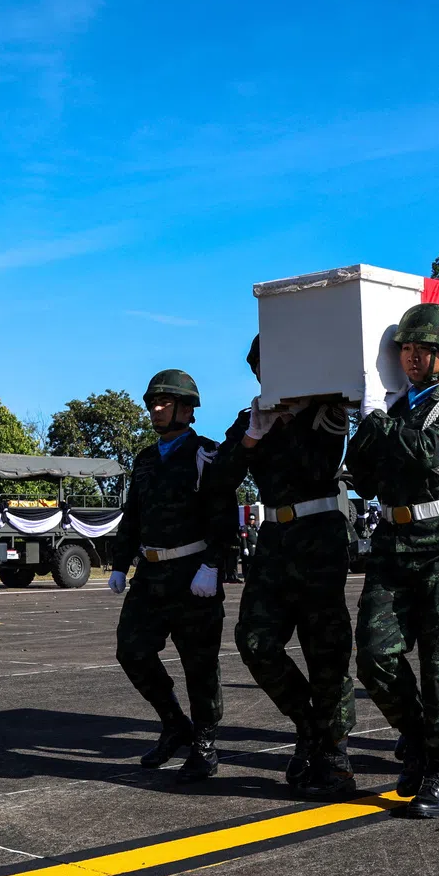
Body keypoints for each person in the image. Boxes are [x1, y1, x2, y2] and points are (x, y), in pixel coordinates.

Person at [349, 302, 439, 818]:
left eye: (420, 349)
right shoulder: (393, 408)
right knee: (375, 656)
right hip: (393, 543)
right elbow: (360, 477)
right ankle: (422, 741)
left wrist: (380, 423)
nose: (410, 357)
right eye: (405, 348)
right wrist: (364, 429)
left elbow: (433, 452)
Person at [211, 335, 356, 797]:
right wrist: (253, 435)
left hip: (319, 534)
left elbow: (319, 468)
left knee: (325, 649)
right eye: (260, 369)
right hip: (274, 538)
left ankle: (334, 754)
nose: (265, 376)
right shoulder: (250, 418)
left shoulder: (326, 411)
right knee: (254, 640)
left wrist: (286, 423)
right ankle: (310, 727)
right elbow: (218, 478)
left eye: (274, 367)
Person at [108, 370, 238, 782]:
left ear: (186, 409)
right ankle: (173, 723)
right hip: (150, 573)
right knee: (131, 650)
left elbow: (224, 516)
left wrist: (213, 565)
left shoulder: (206, 454)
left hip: (192, 571)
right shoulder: (145, 459)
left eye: (163, 403)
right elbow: (133, 516)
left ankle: (204, 743)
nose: (156, 410)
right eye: (152, 404)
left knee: (199, 664)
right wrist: (118, 563)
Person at [240, 513, 259, 579]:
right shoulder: (245, 527)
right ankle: (247, 576)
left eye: (253, 519)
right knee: (248, 563)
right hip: (249, 547)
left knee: (253, 562)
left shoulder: (254, 528)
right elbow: (244, 538)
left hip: (255, 547)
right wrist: (245, 548)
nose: (252, 521)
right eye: (250, 519)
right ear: (248, 520)